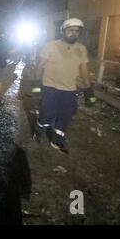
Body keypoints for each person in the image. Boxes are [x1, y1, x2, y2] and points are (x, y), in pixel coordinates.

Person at [32, 18, 97, 154]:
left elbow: (84, 71)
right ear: (63, 31)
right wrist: (37, 85)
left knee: (66, 116)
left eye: (77, 31)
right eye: (70, 30)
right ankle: (39, 130)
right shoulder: (51, 46)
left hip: (69, 90)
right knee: (47, 113)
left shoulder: (81, 49)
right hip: (50, 88)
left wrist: (88, 91)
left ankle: (57, 140)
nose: (74, 33)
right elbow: (39, 66)